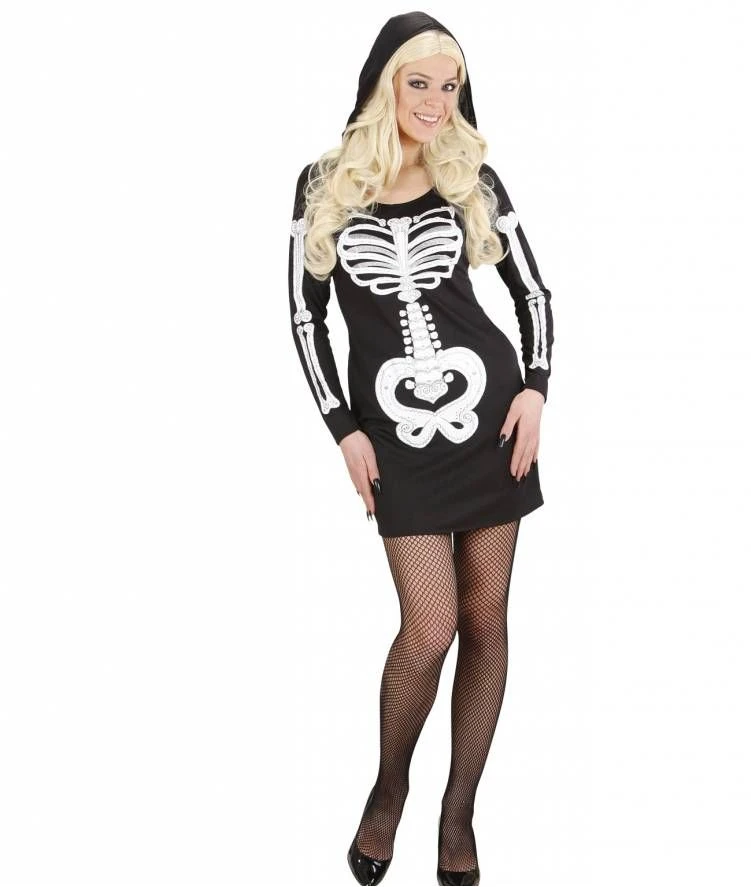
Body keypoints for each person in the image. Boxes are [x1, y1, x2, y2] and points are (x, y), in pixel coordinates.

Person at [287, 11, 554, 885]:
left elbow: (532, 291)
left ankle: (459, 809)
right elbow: (304, 317)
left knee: (486, 617)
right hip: (393, 437)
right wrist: (343, 428)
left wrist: (534, 387)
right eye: (419, 83)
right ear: (383, 83)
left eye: (450, 85)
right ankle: (388, 789)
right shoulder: (324, 183)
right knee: (429, 626)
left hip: (491, 421)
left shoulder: (469, 175)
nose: (437, 101)